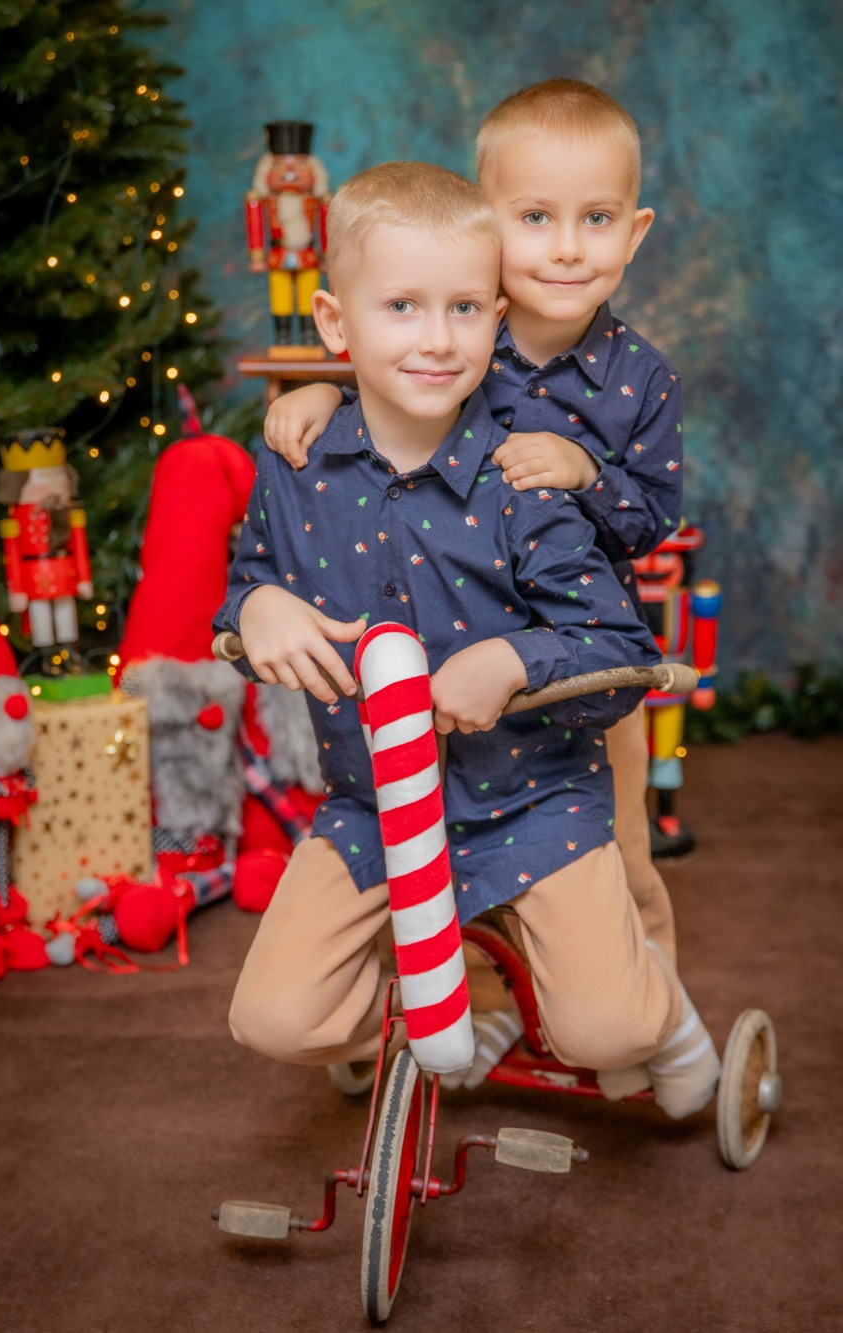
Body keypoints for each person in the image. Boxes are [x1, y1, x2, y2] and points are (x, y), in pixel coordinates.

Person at [214, 160, 719, 1120]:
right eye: (401, 307)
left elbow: (618, 645)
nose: (437, 339)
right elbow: (251, 576)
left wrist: (517, 658)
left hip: (531, 800)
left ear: (496, 319)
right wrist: (258, 607)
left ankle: (655, 1007)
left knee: (605, 1031)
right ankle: (426, 1015)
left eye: (463, 310)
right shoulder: (296, 466)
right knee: (275, 1018)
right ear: (335, 324)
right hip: (372, 802)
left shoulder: (522, 475)